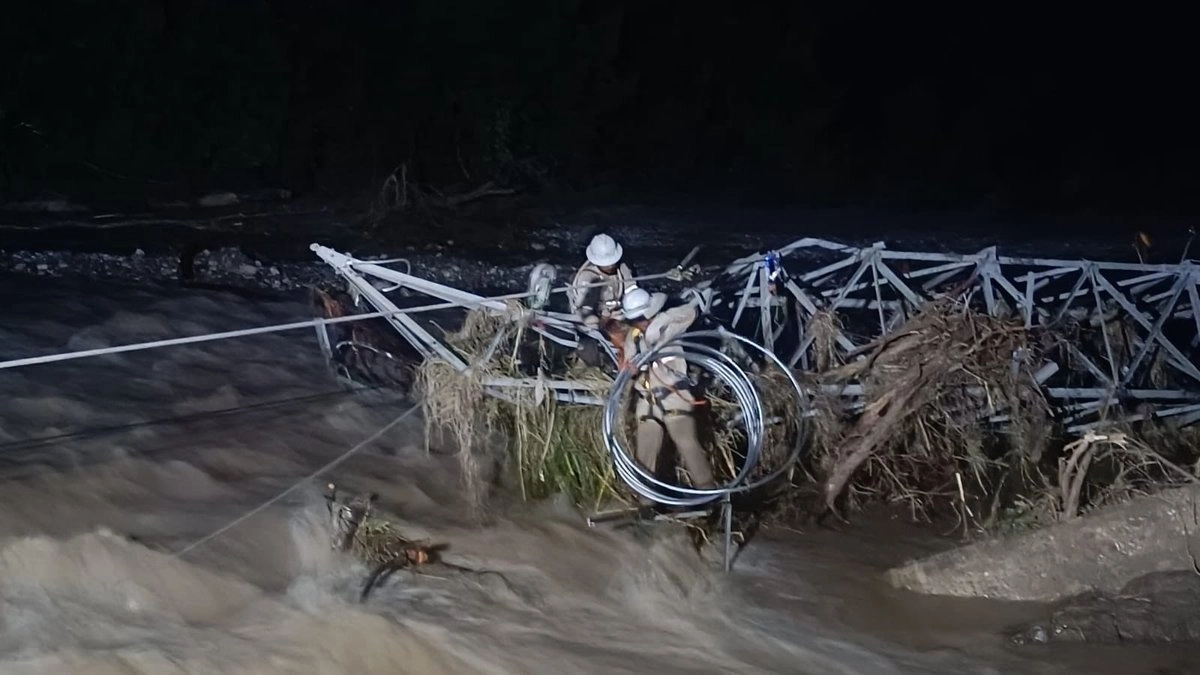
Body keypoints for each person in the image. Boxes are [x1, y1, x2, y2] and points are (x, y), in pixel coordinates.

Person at [620, 287, 716, 492]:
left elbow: (691, 312)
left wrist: (659, 321)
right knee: (645, 452)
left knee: (687, 445)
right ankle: (647, 502)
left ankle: (709, 494)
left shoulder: (670, 328)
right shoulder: (634, 337)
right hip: (648, 399)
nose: (638, 322)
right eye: (634, 319)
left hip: (674, 395)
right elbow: (628, 367)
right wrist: (633, 370)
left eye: (641, 318)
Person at [567, 233, 637, 330]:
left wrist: (631, 306)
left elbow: (632, 291)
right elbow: (585, 309)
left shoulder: (622, 268)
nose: (610, 266)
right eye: (606, 264)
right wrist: (603, 318)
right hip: (596, 316)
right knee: (591, 322)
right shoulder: (587, 277)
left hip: (620, 311)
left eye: (612, 262)